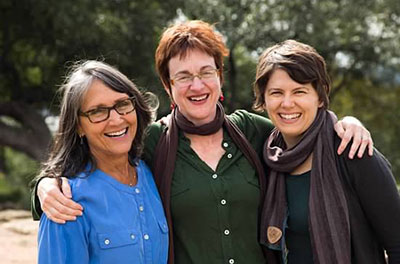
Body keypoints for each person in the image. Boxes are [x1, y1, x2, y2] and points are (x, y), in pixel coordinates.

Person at [32, 21, 373, 264]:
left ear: (219, 77)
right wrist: (44, 188)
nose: (196, 85)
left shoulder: (253, 132)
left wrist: (342, 122)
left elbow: (301, 124)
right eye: (183, 76)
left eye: (205, 72)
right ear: (168, 87)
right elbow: (91, 163)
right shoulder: (149, 141)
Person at [254, 39, 400, 263]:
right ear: (263, 99)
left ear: (320, 97)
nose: (287, 103)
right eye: (276, 93)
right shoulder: (266, 158)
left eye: (299, 91)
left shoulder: (353, 153)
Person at [36, 60, 168, 264]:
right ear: (78, 126)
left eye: (123, 104)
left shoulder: (153, 171)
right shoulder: (66, 204)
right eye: (97, 111)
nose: (116, 120)